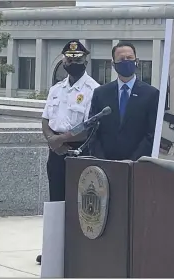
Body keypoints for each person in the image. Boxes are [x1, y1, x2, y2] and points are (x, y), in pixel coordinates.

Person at [37, 40, 99, 264]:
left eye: (77, 59)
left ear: (85, 60)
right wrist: (52, 141)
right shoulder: (56, 89)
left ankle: (76, 250)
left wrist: (61, 140)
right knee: (56, 202)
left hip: (78, 152)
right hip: (55, 152)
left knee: (79, 203)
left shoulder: (93, 89)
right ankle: (54, 249)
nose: (72, 62)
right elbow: (45, 119)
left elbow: (89, 126)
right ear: (63, 60)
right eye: (69, 59)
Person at [88, 41, 159, 160]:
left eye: (130, 58)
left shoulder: (151, 94)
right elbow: (92, 130)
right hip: (105, 163)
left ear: (137, 61)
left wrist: (133, 161)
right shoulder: (100, 93)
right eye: (121, 59)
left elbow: (152, 133)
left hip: (138, 165)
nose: (126, 61)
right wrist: (100, 159)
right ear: (113, 64)